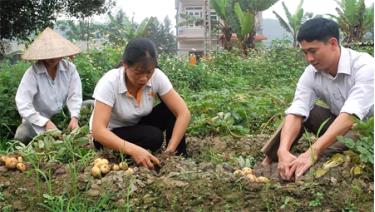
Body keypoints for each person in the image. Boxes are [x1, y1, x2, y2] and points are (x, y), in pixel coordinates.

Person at [260, 17, 374, 181]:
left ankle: (311, 165)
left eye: (313, 51)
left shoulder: (366, 66)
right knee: (302, 112)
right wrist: (283, 149)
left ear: (333, 44)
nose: (309, 58)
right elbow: (297, 110)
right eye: (305, 52)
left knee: (346, 138)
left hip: (367, 130)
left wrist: (313, 151)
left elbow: (350, 116)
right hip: (339, 122)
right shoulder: (311, 72)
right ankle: (273, 158)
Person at [91, 38, 191, 170]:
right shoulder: (110, 82)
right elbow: (98, 131)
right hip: (110, 136)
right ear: (125, 65)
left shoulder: (157, 77)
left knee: (169, 110)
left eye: (149, 72)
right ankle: (128, 157)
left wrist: (170, 151)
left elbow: (183, 113)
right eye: (138, 72)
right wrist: (134, 150)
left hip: (136, 127)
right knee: (154, 137)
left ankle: (178, 157)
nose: (144, 78)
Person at [15, 27, 82, 143]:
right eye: (49, 55)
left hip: (63, 118)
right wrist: (45, 122)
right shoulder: (33, 73)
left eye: (56, 54)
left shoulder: (69, 69)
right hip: (38, 122)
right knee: (22, 134)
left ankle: (75, 132)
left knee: (91, 105)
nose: (54, 58)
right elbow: (23, 103)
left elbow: (75, 96)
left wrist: (74, 117)